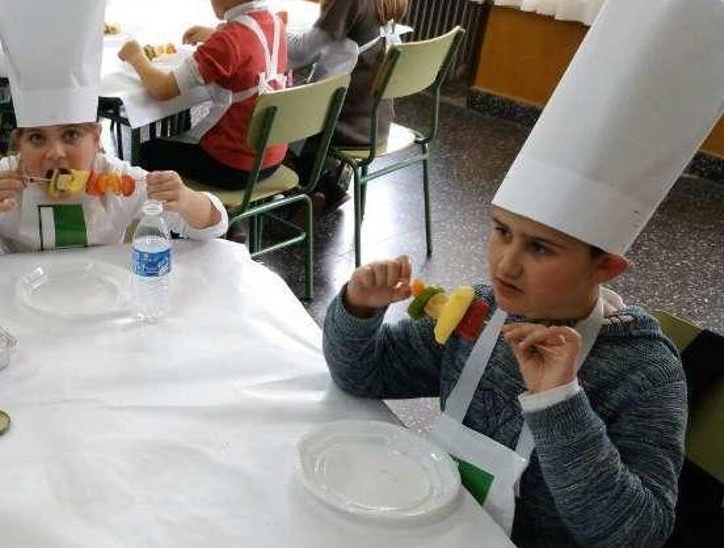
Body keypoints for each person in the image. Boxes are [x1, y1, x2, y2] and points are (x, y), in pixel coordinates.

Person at [321, 0, 722, 544]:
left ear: (605, 264)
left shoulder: (644, 373)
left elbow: (638, 534)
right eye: (501, 231)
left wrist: (560, 402)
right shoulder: (481, 313)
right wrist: (358, 310)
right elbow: (364, 375)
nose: (506, 262)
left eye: (540, 248)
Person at [0, 0, 227, 258]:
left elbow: (214, 225)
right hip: (18, 309)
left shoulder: (119, 182)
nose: (55, 152)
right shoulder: (5, 179)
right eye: (36, 138)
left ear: (97, 140)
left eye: (71, 135)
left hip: (100, 303)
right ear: (19, 144)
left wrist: (185, 199)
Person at [118, 0, 287, 191]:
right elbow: (250, 47)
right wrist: (215, 34)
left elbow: (162, 89)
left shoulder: (228, 41)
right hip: (271, 158)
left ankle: (164, 216)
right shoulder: (276, 22)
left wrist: (136, 56)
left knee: (149, 150)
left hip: (233, 165)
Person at [285, 0, 408, 213]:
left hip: (344, 123)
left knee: (268, 118)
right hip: (374, 120)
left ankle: (313, 184)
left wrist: (274, 30)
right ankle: (320, 185)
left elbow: (300, 54)